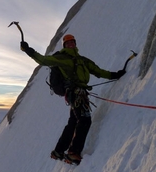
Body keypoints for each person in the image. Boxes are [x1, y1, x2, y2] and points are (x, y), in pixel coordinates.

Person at [20, 34, 125, 165]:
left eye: (72, 42)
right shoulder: (61, 58)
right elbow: (43, 60)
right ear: (64, 45)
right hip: (75, 93)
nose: (71, 44)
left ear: (75, 44)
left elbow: (98, 71)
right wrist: (28, 50)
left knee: (74, 121)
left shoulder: (83, 60)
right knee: (85, 119)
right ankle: (73, 153)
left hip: (77, 93)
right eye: (68, 43)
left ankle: (59, 151)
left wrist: (114, 75)